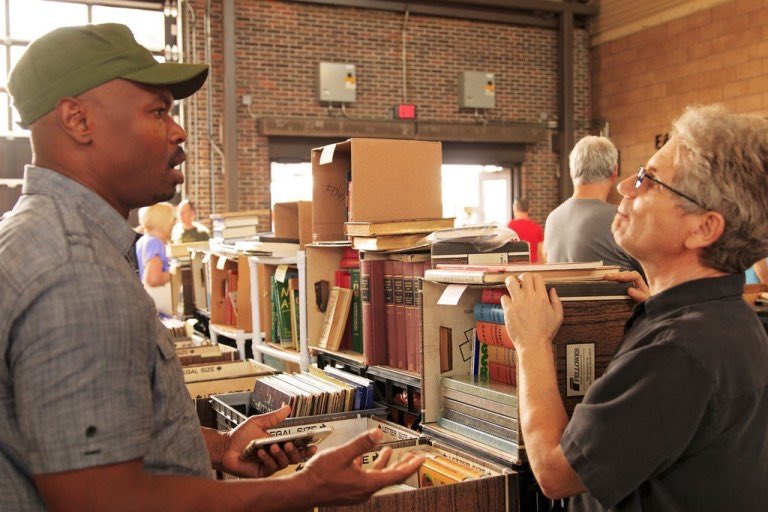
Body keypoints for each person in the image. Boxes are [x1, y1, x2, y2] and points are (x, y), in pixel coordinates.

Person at [1, 23, 423, 511]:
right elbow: (104, 499)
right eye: (157, 111)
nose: (178, 131)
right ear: (78, 120)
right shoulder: (78, 275)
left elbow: (86, 434)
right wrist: (304, 490)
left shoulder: (33, 237)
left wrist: (221, 447)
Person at [501, 105, 768, 510]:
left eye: (650, 180)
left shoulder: (677, 352)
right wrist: (659, 306)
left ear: (703, 228)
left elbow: (555, 473)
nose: (626, 187)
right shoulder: (729, 320)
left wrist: (532, 343)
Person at [544, 136, 642, 272]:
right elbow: (658, 278)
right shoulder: (622, 218)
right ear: (614, 171)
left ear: (571, 172)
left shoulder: (553, 218)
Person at [137, 202, 176, 287]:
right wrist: (179, 274)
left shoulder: (145, 240)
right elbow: (153, 279)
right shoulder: (154, 243)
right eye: (173, 219)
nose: (174, 223)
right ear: (163, 221)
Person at [507, 197, 544, 262]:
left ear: (515, 208)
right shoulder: (537, 227)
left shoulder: (509, 226)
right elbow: (540, 254)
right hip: (533, 266)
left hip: (515, 266)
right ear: (528, 209)